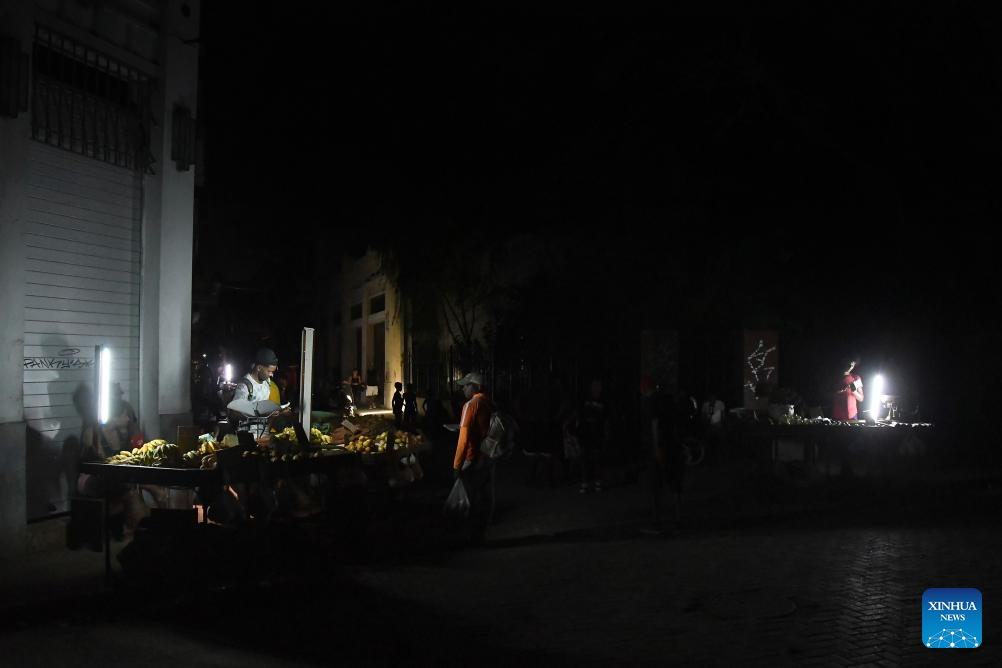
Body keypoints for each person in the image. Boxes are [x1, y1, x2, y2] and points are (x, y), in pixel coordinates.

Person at [452, 372, 495, 544]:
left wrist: (457, 466)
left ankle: (470, 536)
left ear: (475, 387)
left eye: (465, 385)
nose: (463, 389)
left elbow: (463, 439)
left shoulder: (471, 405)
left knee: (470, 499)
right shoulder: (488, 402)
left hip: (473, 458)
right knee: (486, 497)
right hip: (488, 456)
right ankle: (482, 535)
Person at [576, 378, 610, 493]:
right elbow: (580, 415)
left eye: (598, 386)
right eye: (594, 386)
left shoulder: (604, 401)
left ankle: (598, 482)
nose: (596, 388)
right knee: (584, 458)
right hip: (586, 432)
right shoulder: (585, 399)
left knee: (597, 458)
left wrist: (606, 433)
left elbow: (606, 419)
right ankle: (584, 483)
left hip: (597, 432)